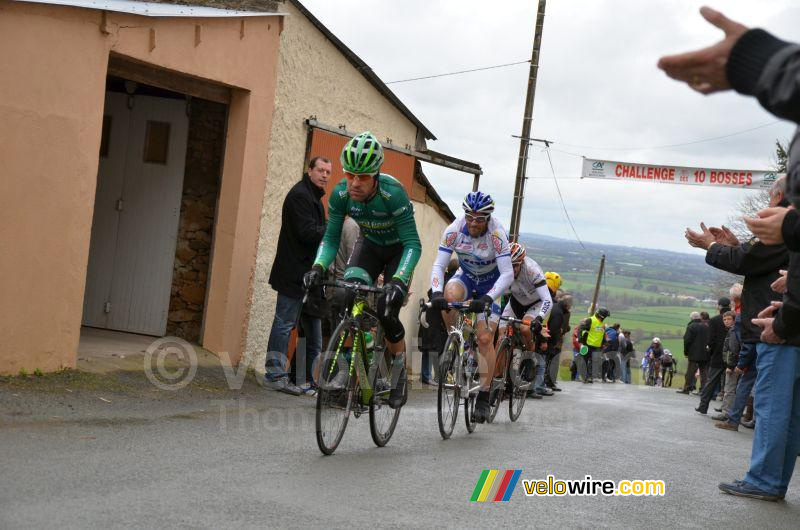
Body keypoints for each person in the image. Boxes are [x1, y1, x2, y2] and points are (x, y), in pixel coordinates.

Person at [659, 7, 800, 500]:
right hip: (784, 316)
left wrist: (718, 247)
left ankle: (764, 479)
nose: (767, 204)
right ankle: (769, 478)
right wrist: (731, 244)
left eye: (776, 197)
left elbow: (749, 264)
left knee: (775, 403)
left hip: (783, 324)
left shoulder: (786, 221)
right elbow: (755, 258)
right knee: (782, 405)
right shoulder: (784, 225)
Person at [304, 132, 422, 409]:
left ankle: (398, 374)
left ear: (376, 175)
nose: (355, 183)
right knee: (346, 295)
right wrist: (318, 266)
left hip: (398, 252)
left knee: (385, 308)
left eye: (363, 177)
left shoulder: (392, 194)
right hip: (369, 245)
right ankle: (354, 369)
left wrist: (399, 280)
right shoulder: (341, 194)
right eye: (350, 175)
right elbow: (331, 239)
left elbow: (413, 244)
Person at [429, 191, 514, 422]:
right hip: (466, 277)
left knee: (486, 338)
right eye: (470, 217)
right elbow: (439, 265)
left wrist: (488, 298)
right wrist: (436, 292)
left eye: (479, 219)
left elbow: (507, 274)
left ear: (487, 219)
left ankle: (484, 397)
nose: (473, 223)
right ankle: (456, 342)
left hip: (490, 286)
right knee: (448, 296)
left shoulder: (497, 235)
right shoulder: (454, 230)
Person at [265, 156, 330, 395]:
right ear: (309, 170)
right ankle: (274, 374)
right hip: (294, 273)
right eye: (321, 170)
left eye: (328, 172)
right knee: (284, 324)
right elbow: (307, 233)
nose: (324, 175)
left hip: (309, 276)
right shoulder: (301, 196)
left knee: (312, 328)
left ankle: (305, 379)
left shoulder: (313, 197)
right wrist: (332, 229)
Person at [496, 243, 553, 397]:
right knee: (501, 336)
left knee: (525, 328)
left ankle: (529, 357)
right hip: (515, 302)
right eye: (508, 265)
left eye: (514, 266)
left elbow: (548, 299)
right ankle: (498, 380)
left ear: (521, 262)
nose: (511, 270)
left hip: (535, 304)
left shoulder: (532, 270)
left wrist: (539, 318)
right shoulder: (502, 270)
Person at [696, 297, 732, 414]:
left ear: (719, 306)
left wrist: (710, 353)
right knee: (730, 385)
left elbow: (710, 340)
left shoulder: (715, 320)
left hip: (717, 355)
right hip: (732, 355)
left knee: (710, 382)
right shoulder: (734, 318)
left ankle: (703, 406)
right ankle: (727, 410)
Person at [714, 310, 741, 422]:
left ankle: (726, 413)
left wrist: (730, 365)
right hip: (735, 364)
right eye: (724, 319)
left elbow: (734, 349)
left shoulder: (734, 331)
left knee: (729, 389)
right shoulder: (733, 330)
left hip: (733, 365)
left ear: (734, 319)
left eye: (729, 319)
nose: (726, 321)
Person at [678, 312, 709, 394]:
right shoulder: (706, 327)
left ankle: (687, 388)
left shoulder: (691, 326)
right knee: (704, 372)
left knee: (690, 372)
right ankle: (704, 390)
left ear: (692, 318)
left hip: (693, 353)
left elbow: (687, 340)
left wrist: (686, 352)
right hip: (705, 353)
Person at [577, 307, 610, 383]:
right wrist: (581, 341)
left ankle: (589, 376)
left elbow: (602, 334)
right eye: (605, 317)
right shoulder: (590, 320)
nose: (605, 318)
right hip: (587, 345)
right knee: (584, 361)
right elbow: (580, 329)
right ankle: (584, 377)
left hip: (597, 346)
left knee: (594, 362)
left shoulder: (602, 324)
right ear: (601, 316)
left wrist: (604, 342)